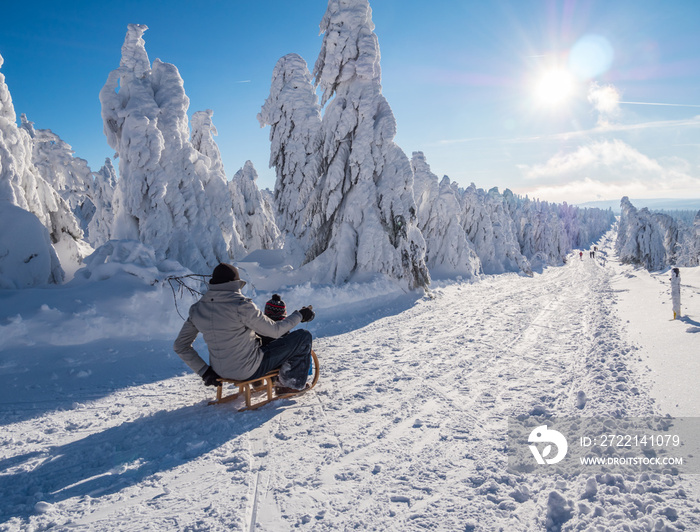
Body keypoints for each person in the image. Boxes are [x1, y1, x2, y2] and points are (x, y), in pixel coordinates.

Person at [173, 263, 315, 393]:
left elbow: (180, 345)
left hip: (219, 372)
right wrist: (300, 315)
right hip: (248, 369)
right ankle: (289, 385)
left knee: (255, 340)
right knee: (303, 336)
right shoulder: (241, 305)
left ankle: (259, 381)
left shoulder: (197, 309)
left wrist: (204, 371)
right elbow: (275, 331)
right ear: (235, 284)